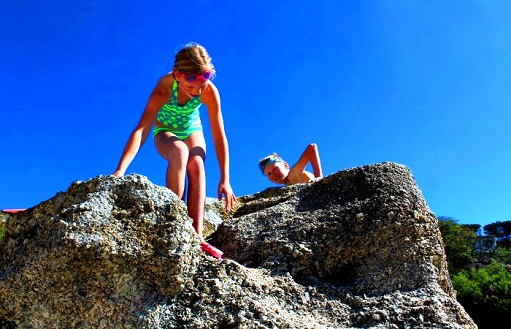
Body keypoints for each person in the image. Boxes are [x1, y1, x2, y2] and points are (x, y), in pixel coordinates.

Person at [112, 43, 236, 259]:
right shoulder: (164, 89)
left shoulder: (208, 90)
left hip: (192, 130)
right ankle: (175, 223)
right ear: (179, 75)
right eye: (192, 87)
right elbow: (141, 130)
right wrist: (120, 170)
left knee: (196, 163)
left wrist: (225, 178)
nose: (197, 92)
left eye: (202, 85)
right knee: (179, 151)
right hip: (165, 131)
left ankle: (197, 239)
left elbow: (219, 135)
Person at [258, 143, 323, 185]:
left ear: (286, 166)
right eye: (269, 173)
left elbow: (312, 148)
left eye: (275, 169)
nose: (273, 174)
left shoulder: (292, 174)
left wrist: (318, 177)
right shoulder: (288, 183)